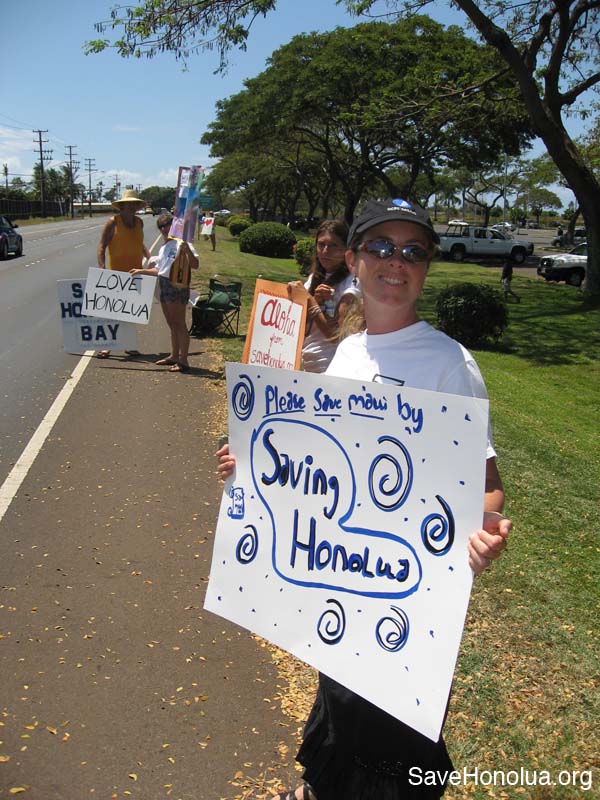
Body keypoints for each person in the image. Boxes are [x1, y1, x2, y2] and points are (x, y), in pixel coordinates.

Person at [216, 198, 511, 800]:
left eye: (413, 251)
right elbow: (318, 465)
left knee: (391, 744)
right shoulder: (348, 354)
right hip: (339, 586)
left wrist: (482, 534)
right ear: (353, 260)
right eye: (379, 247)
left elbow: (487, 487)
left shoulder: (450, 363)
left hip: (404, 599)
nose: (394, 262)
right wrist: (250, 470)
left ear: (427, 266)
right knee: (341, 710)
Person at [288, 219, 361, 373]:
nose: (326, 251)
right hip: (308, 363)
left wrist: (309, 300)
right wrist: (314, 299)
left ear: (347, 251)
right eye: (321, 244)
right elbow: (300, 324)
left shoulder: (352, 283)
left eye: (334, 246)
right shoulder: (314, 277)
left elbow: (335, 335)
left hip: (333, 368)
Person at [130, 213, 198, 373]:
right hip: (164, 285)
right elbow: (160, 270)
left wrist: (187, 250)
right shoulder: (164, 247)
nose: (164, 229)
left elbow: (195, 265)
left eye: (167, 225)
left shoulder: (183, 244)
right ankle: (174, 355)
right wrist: (141, 270)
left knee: (179, 323)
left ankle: (184, 360)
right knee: (172, 324)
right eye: (161, 227)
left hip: (177, 286)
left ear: (173, 226)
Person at [96, 189, 151, 359]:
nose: (132, 207)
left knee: (130, 312)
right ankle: (106, 346)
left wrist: (151, 259)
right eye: (129, 204)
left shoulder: (139, 222)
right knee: (111, 312)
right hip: (116, 274)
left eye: (135, 204)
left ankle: (129, 345)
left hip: (135, 272)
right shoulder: (113, 222)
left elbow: (140, 244)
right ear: (122, 206)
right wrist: (102, 267)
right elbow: (101, 246)